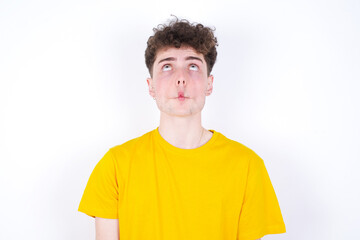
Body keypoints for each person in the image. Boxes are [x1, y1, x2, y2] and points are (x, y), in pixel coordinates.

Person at [78, 17, 286, 240]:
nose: (181, 79)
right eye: (167, 66)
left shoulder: (247, 166)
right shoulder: (115, 166)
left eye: (193, 66)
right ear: (151, 86)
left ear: (209, 84)